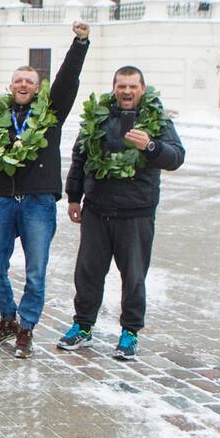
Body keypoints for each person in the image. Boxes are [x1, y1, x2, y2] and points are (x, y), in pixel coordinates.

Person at [59, 66, 184, 360]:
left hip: (136, 212)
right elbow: (80, 157)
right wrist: (74, 197)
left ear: (142, 88)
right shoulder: (98, 117)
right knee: (88, 272)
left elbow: (176, 157)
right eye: (121, 86)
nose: (126, 91)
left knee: (134, 275)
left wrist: (151, 146)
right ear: (114, 87)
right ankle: (83, 326)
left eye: (132, 86)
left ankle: (129, 332)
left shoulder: (157, 119)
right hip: (97, 210)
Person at [0, 22, 90, 358]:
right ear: (10, 86)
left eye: (29, 81)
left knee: (35, 271)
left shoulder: (50, 113)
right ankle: (7, 318)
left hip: (38, 201)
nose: (23, 84)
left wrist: (80, 44)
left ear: (38, 88)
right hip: (4, 200)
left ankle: (26, 328)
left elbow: (67, 82)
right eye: (18, 80)